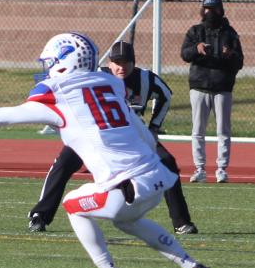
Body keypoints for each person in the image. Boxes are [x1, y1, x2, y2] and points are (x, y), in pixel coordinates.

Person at [0, 32, 216, 268]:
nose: (47, 67)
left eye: (51, 62)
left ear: (63, 61)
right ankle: (194, 267)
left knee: (73, 206)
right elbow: (143, 133)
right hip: (157, 176)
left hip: (123, 185)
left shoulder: (57, 92)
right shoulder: (110, 83)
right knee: (129, 221)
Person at [29, 40, 197, 235]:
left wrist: (154, 126)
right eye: (117, 62)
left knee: (167, 161)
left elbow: (165, 95)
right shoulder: (95, 76)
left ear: (134, 63)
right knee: (63, 163)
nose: (121, 67)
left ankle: (181, 222)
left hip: (131, 137)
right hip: (92, 134)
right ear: (109, 63)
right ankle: (39, 215)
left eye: (126, 62)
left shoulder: (145, 79)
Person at [180, 0, 244, 183]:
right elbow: (184, 54)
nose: (210, 13)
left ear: (220, 10)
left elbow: (239, 62)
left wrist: (230, 55)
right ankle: (199, 169)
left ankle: (221, 169)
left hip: (223, 87)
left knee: (223, 130)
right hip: (199, 86)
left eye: (213, 9)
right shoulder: (195, 32)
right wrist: (196, 49)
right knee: (198, 130)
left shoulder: (230, 33)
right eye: (206, 9)